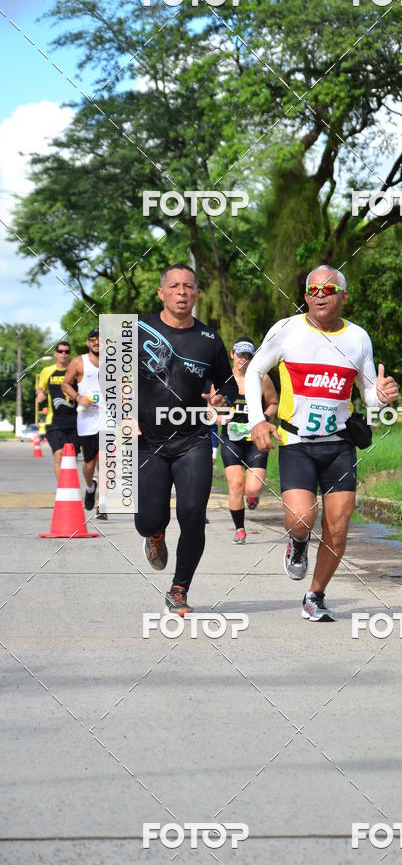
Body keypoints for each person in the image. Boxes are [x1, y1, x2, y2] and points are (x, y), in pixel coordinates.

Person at [246, 265, 399, 622]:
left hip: (339, 444)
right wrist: (257, 420)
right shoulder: (286, 330)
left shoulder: (358, 338)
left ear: (343, 297)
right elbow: (254, 371)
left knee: (339, 527)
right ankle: (298, 544)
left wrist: (382, 395)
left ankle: (315, 595)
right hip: (297, 441)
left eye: (328, 289)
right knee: (301, 519)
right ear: (305, 297)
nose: (319, 294)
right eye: (313, 289)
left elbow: (369, 395)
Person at [135, 263, 237, 614]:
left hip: (192, 439)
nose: (182, 292)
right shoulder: (137, 331)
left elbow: (229, 384)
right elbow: (114, 381)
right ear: (161, 293)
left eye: (189, 286)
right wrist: (124, 418)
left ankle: (179, 588)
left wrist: (222, 398)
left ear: (196, 293)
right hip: (148, 441)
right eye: (175, 286)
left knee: (193, 515)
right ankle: (155, 536)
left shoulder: (209, 340)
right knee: (149, 518)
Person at [219, 338, 278, 544]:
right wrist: (218, 416)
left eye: (248, 355)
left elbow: (273, 403)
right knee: (236, 484)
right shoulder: (223, 380)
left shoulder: (261, 378)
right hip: (231, 439)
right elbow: (210, 407)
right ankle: (240, 529)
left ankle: (253, 496)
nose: (243, 359)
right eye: (240, 354)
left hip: (256, 438)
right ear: (232, 354)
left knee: (252, 487)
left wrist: (263, 419)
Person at [61, 328, 105, 518]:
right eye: (92, 339)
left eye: (100, 339)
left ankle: (103, 505)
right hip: (87, 419)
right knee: (89, 463)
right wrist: (78, 397)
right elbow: (65, 384)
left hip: (108, 417)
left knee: (105, 460)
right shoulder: (79, 362)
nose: (96, 342)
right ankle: (90, 487)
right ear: (88, 342)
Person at [36, 341, 79, 480]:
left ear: (69, 353)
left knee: (72, 457)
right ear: (55, 353)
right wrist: (40, 394)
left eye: (66, 351)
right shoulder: (47, 371)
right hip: (54, 421)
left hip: (75, 422)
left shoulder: (75, 370)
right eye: (60, 351)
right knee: (58, 454)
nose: (63, 354)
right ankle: (62, 489)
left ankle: (70, 488)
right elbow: (40, 389)